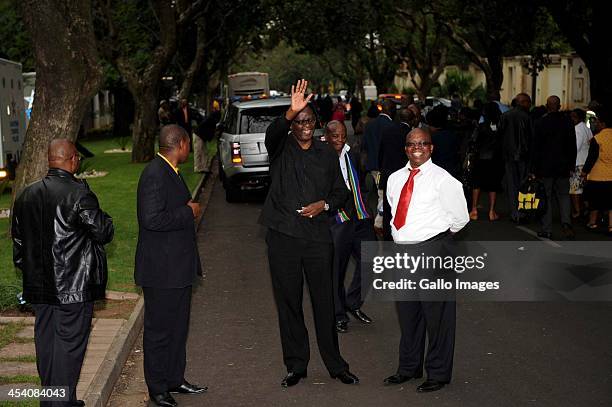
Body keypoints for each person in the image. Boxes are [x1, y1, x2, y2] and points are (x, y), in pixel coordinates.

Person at [260, 79, 359, 388]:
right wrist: (291, 109)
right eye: (298, 121)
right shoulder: (280, 148)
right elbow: (272, 133)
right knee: (288, 303)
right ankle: (296, 365)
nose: (303, 126)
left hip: (317, 239)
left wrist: (324, 204)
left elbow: (341, 194)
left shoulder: (326, 153)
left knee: (324, 302)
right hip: (283, 237)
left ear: (316, 124)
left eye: (308, 121)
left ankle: (336, 365)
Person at [12, 139, 114, 407]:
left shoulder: (26, 194)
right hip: (73, 288)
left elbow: (19, 245)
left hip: (41, 289)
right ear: (72, 159)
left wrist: (33, 274)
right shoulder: (79, 194)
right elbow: (103, 231)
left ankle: (62, 400)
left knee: (47, 349)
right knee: (67, 351)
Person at [385, 128, 469, 393]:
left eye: (422, 143)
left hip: (433, 251)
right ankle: (408, 368)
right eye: (411, 144)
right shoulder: (395, 178)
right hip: (403, 255)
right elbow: (393, 209)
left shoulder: (444, 180)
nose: (416, 148)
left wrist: (438, 241)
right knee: (409, 315)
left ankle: (438, 372)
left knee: (438, 317)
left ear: (431, 148)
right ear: (405, 148)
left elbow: (460, 218)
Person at [135, 125, 206, 407]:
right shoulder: (154, 173)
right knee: (159, 331)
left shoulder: (170, 171)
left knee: (178, 327)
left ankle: (175, 378)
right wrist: (188, 211)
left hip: (177, 268)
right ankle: (157, 388)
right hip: (161, 271)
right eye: (189, 144)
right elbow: (151, 219)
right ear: (182, 144)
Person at [326, 120, 376, 333]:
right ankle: (338, 315)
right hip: (338, 220)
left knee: (372, 260)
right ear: (327, 137)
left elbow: (361, 181)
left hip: (360, 216)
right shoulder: (320, 158)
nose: (340, 140)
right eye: (335, 137)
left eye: (343, 136)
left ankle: (352, 303)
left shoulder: (352, 154)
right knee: (336, 270)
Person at [531, 96, 577, 240]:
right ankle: (566, 224)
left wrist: (534, 168)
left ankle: (547, 229)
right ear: (560, 106)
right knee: (564, 196)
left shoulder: (540, 123)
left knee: (547, 197)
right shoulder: (567, 122)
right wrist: (571, 165)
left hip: (545, 167)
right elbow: (572, 146)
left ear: (547, 106)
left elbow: (535, 148)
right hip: (563, 166)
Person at [379, 108, 413, 240]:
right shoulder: (410, 134)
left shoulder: (388, 131)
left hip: (388, 175)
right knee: (404, 207)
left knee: (388, 208)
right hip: (405, 176)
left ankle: (388, 236)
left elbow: (381, 153)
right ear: (412, 119)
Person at [499, 93, 532, 222]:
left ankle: (515, 212)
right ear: (523, 102)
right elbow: (531, 138)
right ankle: (523, 210)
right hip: (523, 155)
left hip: (509, 155)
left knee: (511, 184)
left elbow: (500, 136)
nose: (530, 105)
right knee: (523, 185)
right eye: (528, 102)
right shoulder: (527, 117)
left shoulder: (505, 116)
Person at [469, 102, 503, 221]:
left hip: (480, 158)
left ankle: (474, 210)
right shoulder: (500, 127)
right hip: (495, 159)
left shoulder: (481, 126)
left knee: (476, 183)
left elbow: (473, 141)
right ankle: (492, 211)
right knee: (493, 185)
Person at [582, 108, 612, 235]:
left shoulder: (597, 139)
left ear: (603, 124)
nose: (597, 124)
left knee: (594, 202)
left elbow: (591, 158)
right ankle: (611, 226)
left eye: (598, 122)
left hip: (597, 176)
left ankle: (592, 223)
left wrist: (584, 172)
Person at [570, 108, 593, 218]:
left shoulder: (577, 129)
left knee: (575, 190)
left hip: (578, 162)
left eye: (573, 117)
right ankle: (585, 208)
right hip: (586, 162)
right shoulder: (587, 129)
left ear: (577, 118)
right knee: (584, 189)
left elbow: (575, 147)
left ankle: (578, 211)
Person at [427, 105, 461, 179]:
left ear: (432, 125)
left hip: (436, 174)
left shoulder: (431, 139)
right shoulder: (453, 135)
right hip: (452, 173)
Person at [193, 100, 221, 172]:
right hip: (198, 135)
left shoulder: (211, 119)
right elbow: (209, 129)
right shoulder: (211, 119)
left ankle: (204, 167)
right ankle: (198, 167)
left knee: (204, 152)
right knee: (198, 152)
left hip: (202, 136)